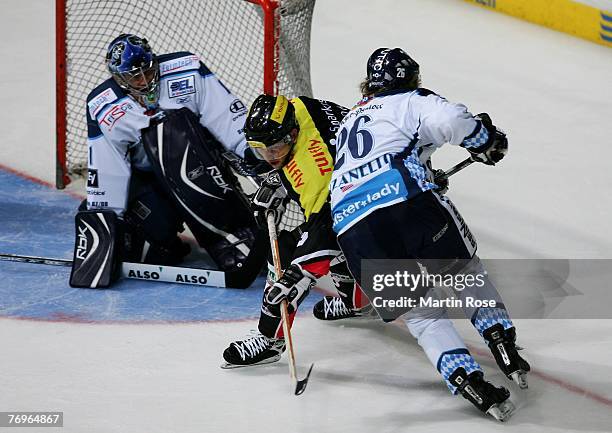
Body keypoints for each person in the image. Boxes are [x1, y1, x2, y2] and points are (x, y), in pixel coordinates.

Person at [328, 48, 530, 421]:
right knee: (463, 273)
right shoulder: (410, 100)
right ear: (411, 79)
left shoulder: (351, 119)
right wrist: (484, 139)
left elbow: (379, 158)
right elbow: (451, 118)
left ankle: (470, 384)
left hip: (350, 224)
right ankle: (501, 340)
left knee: (422, 315)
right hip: (407, 202)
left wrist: (425, 170)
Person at [82, 34, 265, 275]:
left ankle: (228, 234)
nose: (144, 80)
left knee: (169, 130)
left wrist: (248, 150)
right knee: (139, 249)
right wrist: (105, 220)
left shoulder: (187, 69)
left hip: (199, 168)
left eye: (147, 71)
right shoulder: (102, 105)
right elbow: (108, 167)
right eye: (134, 76)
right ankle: (164, 242)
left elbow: (223, 114)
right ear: (118, 78)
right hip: (151, 181)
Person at [221, 94, 371, 368]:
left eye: (275, 148)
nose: (270, 157)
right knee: (320, 254)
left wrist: (300, 274)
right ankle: (358, 300)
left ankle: (269, 339)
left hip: (360, 214)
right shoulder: (299, 106)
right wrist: (277, 181)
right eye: (261, 149)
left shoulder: (317, 174)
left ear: (292, 134)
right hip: (369, 194)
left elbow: (328, 224)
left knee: (292, 264)